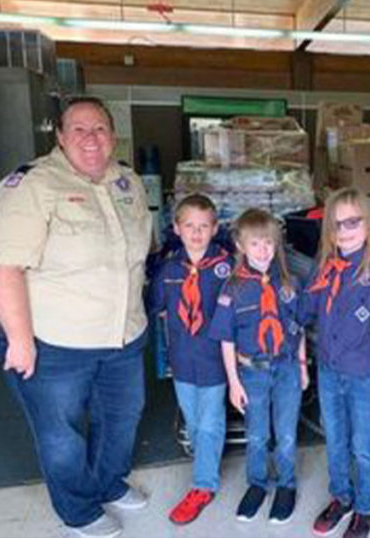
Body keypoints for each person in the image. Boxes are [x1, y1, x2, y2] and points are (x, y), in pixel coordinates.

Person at [0, 96, 152, 538]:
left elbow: (137, 257)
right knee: (62, 431)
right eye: (78, 129)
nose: (90, 139)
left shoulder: (128, 183)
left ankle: (107, 482)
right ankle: (77, 509)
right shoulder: (32, 184)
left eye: (99, 129)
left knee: (123, 415)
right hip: (51, 339)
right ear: (59, 137)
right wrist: (20, 341)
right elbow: (3, 268)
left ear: (113, 136)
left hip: (121, 335)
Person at [301, 188, 370, 538]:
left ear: (368, 225)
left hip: (364, 376)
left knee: (364, 446)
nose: (345, 230)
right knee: (336, 439)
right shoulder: (324, 267)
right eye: (337, 224)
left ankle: (366, 507)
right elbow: (303, 310)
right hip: (328, 371)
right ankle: (341, 496)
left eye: (353, 222)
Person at [208, 208, 309, 525]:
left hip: (288, 368)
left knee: (287, 434)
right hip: (252, 371)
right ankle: (257, 484)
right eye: (255, 244)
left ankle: (286, 484)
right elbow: (226, 339)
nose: (263, 250)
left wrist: (304, 367)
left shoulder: (291, 283)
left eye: (268, 242)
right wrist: (234, 382)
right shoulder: (233, 289)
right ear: (240, 246)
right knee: (256, 435)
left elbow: (299, 327)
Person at [148, 194, 234, 525]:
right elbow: (155, 305)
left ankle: (203, 484)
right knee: (194, 420)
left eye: (203, 226)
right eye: (189, 226)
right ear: (177, 228)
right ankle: (206, 463)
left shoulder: (226, 268)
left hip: (214, 360)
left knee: (210, 421)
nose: (196, 233)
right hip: (182, 359)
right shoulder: (169, 269)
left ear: (215, 229)